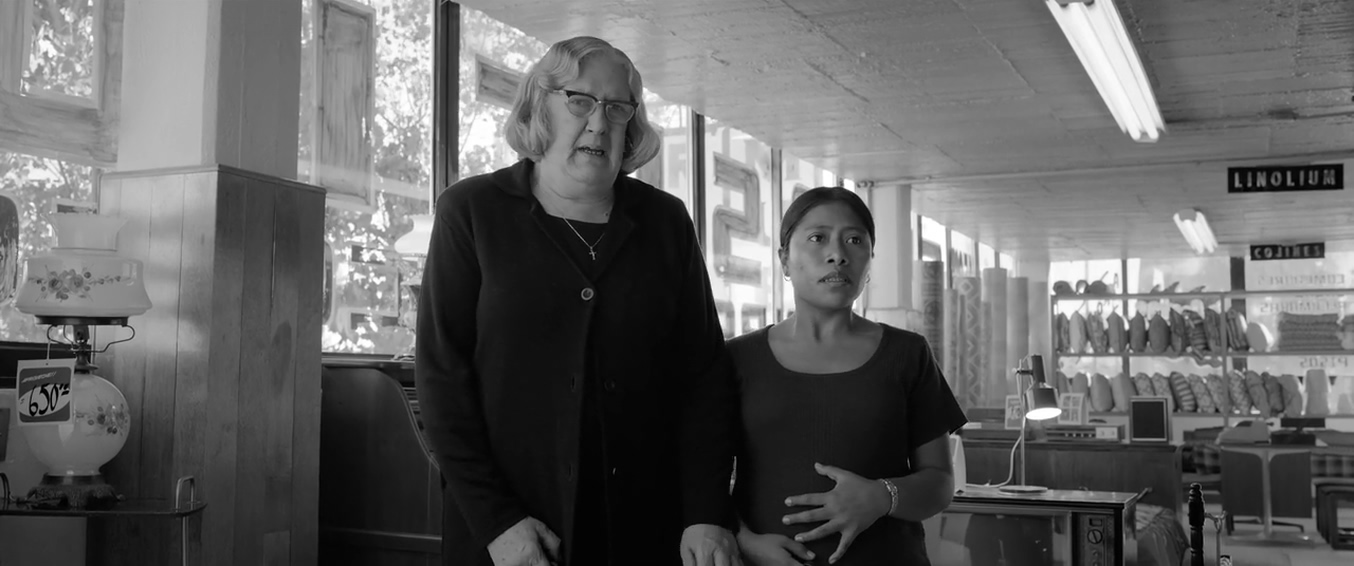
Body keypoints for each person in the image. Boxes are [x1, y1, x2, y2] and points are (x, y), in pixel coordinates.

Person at [415, 36, 741, 566]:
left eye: (617, 108)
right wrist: (497, 522)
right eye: (580, 101)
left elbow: (703, 376)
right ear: (539, 106)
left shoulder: (666, 222)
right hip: (512, 538)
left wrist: (707, 511)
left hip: (646, 528)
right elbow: (442, 379)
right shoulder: (471, 211)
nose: (599, 122)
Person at [728, 187, 968, 566]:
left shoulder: (907, 354)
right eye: (817, 238)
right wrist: (745, 542)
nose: (837, 254)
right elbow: (702, 475)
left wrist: (881, 496)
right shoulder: (737, 358)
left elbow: (939, 483)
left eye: (854, 240)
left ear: (869, 262)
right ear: (785, 260)